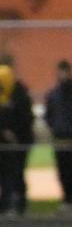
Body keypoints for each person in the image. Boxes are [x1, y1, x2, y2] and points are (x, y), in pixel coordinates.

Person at [44, 60, 72, 215]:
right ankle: (66, 199)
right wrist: (56, 129)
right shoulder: (53, 94)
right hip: (60, 138)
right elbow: (49, 116)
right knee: (63, 171)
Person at [0, 63, 33, 217]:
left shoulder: (20, 95)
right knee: (5, 175)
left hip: (19, 143)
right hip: (5, 144)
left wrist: (15, 134)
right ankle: (6, 204)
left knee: (17, 173)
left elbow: (25, 119)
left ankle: (19, 205)